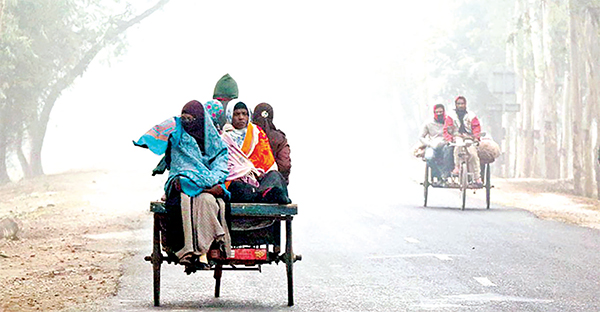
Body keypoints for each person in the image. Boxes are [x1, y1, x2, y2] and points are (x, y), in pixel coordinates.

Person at [134, 100, 231, 271]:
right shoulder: (177, 132)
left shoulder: (213, 140)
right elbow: (160, 141)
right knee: (185, 197)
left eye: (191, 119)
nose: (187, 122)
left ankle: (203, 250)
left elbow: (220, 163)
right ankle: (187, 251)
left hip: (208, 182)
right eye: (184, 118)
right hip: (183, 179)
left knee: (208, 202)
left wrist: (212, 180)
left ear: (200, 120)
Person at [221, 101, 291, 204]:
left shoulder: (257, 133)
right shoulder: (223, 137)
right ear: (229, 115)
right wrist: (243, 172)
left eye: (244, 114)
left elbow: (267, 163)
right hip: (236, 182)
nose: (241, 117)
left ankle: (263, 193)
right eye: (236, 114)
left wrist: (254, 173)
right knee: (237, 187)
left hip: (257, 180)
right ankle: (263, 195)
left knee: (275, 175)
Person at [443, 96, 483, 186]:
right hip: (457, 136)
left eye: (462, 104)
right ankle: (457, 167)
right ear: (455, 105)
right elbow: (447, 129)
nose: (460, 106)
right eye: (458, 104)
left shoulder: (472, 116)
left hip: (469, 138)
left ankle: (477, 178)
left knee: (473, 154)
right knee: (458, 147)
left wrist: (476, 138)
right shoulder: (451, 116)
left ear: (465, 105)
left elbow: (476, 128)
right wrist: (449, 138)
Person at [252, 102, 292, 184]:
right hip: (274, 185)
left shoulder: (248, 135)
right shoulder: (280, 138)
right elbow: (285, 165)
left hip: (250, 183)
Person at [420, 104, 453, 182]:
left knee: (448, 150)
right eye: (437, 112)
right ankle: (438, 175)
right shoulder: (428, 123)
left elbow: (453, 132)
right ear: (434, 112)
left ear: (444, 112)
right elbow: (421, 137)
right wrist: (428, 143)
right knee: (429, 157)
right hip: (432, 145)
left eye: (441, 112)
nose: (439, 114)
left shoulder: (449, 122)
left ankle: (445, 174)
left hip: (446, 145)